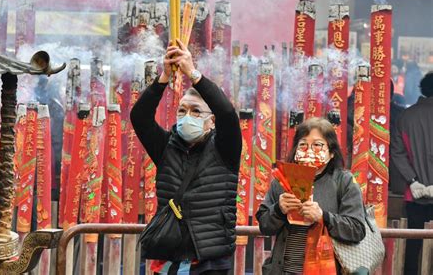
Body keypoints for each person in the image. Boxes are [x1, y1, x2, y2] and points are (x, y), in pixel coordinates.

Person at [130, 39, 242, 274]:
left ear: (212, 121)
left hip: (210, 260)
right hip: (169, 256)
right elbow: (140, 117)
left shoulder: (225, 149)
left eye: (196, 111)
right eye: (182, 110)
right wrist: (164, 78)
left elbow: (227, 114)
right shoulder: (165, 147)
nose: (187, 116)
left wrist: (193, 73)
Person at [256, 117, 366, 274]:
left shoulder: (344, 181)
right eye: (303, 145)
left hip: (326, 269)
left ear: (332, 153)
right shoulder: (282, 180)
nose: (308, 150)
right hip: (284, 270)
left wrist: (323, 216)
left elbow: (357, 229)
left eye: (317, 145)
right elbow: (264, 226)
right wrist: (279, 210)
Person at [391, 72, 433, 275]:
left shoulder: (406, 116)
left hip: (414, 194)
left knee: (413, 243)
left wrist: (414, 181)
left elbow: (397, 153)